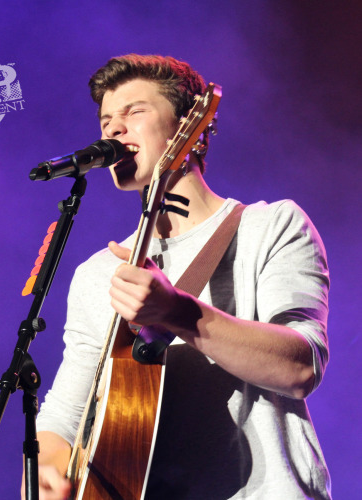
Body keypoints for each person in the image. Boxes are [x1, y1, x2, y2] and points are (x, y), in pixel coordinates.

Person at [28, 54, 331, 499]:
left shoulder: (270, 226)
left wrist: (178, 313)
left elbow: (300, 366)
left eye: (134, 112)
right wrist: (47, 467)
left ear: (192, 128)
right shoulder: (99, 272)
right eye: (106, 121)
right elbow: (65, 412)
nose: (113, 129)